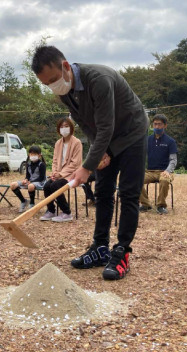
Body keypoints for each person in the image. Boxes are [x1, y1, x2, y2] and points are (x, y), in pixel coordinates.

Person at [32, 45, 149, 280]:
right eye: (47, 85)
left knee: (128, 193)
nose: (53, 87)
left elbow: (106, 125)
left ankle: (122, 252)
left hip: (131, 134)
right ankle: (100, 247)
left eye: (54, 80)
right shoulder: (65, 91)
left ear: (66, 66)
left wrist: (87, 166)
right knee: (103, 192)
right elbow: (86, 124)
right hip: (107, 138)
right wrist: (101, 152)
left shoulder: (99, 79)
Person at [39, 117, 82, 222]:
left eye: (66, 126)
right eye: (61, 127)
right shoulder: (58, 143)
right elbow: (54, 160)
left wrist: (61, 174)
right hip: (58, 174)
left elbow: (75, 163)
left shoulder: (77, 142)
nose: (64, 129)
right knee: (47, 186)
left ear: (71, 128)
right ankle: (51, 211)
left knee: (55, 185)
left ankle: (67, 212)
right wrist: (54, 172)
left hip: (71, 174)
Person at [139, 114, 177, 215]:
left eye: (159, 124)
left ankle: (161, 206)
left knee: (164, 180)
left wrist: (168, 171)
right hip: (150, 171)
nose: (157, 127)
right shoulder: (147, 140)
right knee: (136, 179)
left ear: (165, 126)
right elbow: (140, 155)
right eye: (155, 124)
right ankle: (146, 204)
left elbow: (173, 160)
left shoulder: (170, 141)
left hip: (165, 171)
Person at [10, 145, 47, 212]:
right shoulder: (28, 164)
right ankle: (23, 201)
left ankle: (32, 203)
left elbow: (41, 178)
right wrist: (25, 180)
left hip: (40, 182)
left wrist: (31, 181)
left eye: (35, 154)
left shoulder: (42, 165)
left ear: (39, 155)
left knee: (30, 186)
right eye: (31, 154)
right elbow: (27, 176)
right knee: (13, 185)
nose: (32, 155)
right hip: (30, 182)